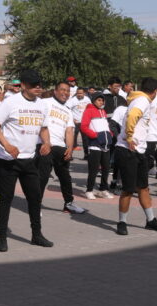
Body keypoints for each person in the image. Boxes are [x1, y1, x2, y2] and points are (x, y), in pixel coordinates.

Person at [0, 69, 53, 252]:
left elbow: (44, 128)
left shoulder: (42, 105)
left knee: (34, 198)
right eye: (34, 85)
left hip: (30, 160)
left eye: (39, 85)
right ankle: (2, 237)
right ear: (23, 85)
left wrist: (47, 142)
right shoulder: (10, 102)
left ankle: (37, 235)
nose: (38, 88)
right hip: (9, 160)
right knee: (6, 199)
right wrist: (6, 145)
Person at [113, 77, 157, 236]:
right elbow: (132, 117)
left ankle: (151, 220)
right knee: (128, 189)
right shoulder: (142, 101)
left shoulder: (140, 100)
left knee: (143, 187)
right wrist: (129, 137)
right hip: (128, 150)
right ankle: (121, 222)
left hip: (140, 151)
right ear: (156, 91)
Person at [37, 81, 85, 214]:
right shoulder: (45, 102)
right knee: (43, 176)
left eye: (68, 91)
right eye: (63, 90)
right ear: (55, 91)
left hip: (60, 147)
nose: (65, 93)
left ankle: (69, 204)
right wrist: (45, 142)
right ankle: (36, 204)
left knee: (65, 177)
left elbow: (69, 131)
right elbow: (39, 122)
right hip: (46, 145)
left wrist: (70, 148)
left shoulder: (68, 111)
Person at [81, 92, 114, 198]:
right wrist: (95, 135)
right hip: (95, 145)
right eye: (99, 100)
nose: (101, 102)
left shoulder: (103, 111)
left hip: (105, 144)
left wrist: (110, 134)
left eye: (102, 100)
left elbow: (105, 125)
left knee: (106, 168)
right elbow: (84, 126)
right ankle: (89, 190)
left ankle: (103, 189)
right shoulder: (89, 111)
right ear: (94, 101)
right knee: (94, 169)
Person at [66, 87, 90, 159]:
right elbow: (67, 109)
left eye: (81, 93)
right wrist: (72, 119)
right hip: (75, 123)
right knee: (72, 139)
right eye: (78, 93)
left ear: (84, 93)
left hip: (84, 123)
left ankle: (86, 154)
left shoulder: (87, 99)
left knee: (85, 140)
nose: (79, 95)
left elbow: (90, 109)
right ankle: (70, 154)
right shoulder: (72, 100)